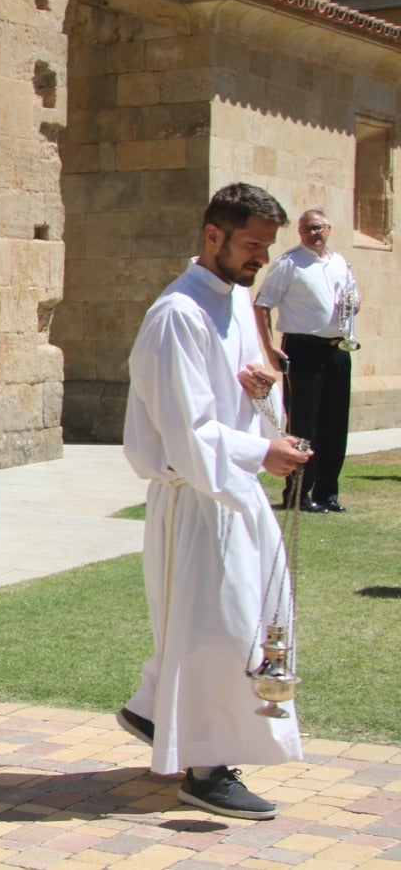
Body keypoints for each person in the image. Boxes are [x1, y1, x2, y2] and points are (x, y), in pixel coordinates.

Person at [118, 183, 309, 820]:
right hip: (198, 498)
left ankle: (158, 713)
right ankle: (205, 768)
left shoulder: (235, 303)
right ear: (212, 236)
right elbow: (186, 429)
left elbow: (241, 408)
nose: (261, 258)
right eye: (252, 245)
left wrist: (265, 397)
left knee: (244, 623)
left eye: (266, 247)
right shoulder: (179, 314)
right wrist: (260, 454)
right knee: (218, 632)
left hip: (234, 494)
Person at [253, 209, 358, 513]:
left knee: (335, 424)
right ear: (299, 233)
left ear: (329, 228)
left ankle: (327, 492)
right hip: (303, 349)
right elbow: (262, 304)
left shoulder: (339, 262)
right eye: (306, 229)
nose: (313, 233)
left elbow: (353, 298)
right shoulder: (289, 263)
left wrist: (355, 304)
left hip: (337, 348)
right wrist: (270, 347)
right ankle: (298, 493)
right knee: (303, 424)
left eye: (318, 228)